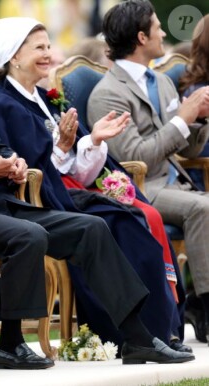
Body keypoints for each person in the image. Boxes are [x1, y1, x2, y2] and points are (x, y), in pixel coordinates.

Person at [0, 16, 195, 367]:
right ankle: (10, 342)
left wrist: (12, 161)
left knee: (91, 228)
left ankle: (137, 337)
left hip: (3, 200)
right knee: (30, 236)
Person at [0, 17, 188, 351]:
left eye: (49, 46)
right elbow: (26, 170)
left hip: (68, 192)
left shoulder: (46, 99)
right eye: (39, 48)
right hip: (39, 202)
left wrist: (92, 141)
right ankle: (127, 334)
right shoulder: (0, 104)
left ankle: (159, 328)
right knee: (116, 223)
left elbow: (75, 168)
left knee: (133, 220)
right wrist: (61, 148)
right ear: (13, 56)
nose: (49, 55)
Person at [87, 0, 209, 346]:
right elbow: (135, 157)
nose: (164, 33)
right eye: (157, 27)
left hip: (174, 183)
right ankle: (204, 305)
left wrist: (199, 119)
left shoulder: (161, 81)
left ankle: (198, 303)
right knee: (204, 207)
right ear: (141, 37)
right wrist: (181, 119)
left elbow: (188, 151)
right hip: (139, 187)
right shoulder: (108, 93)